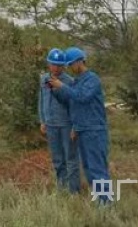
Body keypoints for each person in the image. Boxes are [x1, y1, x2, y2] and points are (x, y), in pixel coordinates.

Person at [49, 46, 112, 204]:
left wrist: (62, 86)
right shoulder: (77, 81)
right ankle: (99, 200)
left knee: (97, 168)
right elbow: (72, 103)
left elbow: (82, 97)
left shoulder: (92, 79)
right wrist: (55, 90)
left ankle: (105, 203)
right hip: (83, 130)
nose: (69, 68)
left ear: (79, 62)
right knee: (89, 169)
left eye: (71, 64)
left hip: (95, 130)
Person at [38, 48, 80, 194]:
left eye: (59, 65)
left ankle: (74, 191)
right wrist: (42, 120)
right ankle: (62, 188)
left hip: (66, 125)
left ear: (63, 66)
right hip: (51, 125)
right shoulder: (43, 79)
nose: (56, 68)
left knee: (71, 158)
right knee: (57, 159)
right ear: (48, 64)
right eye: (53, 64)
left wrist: (75, 126)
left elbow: (74, 106)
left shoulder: (69, 81)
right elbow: (41, 100)